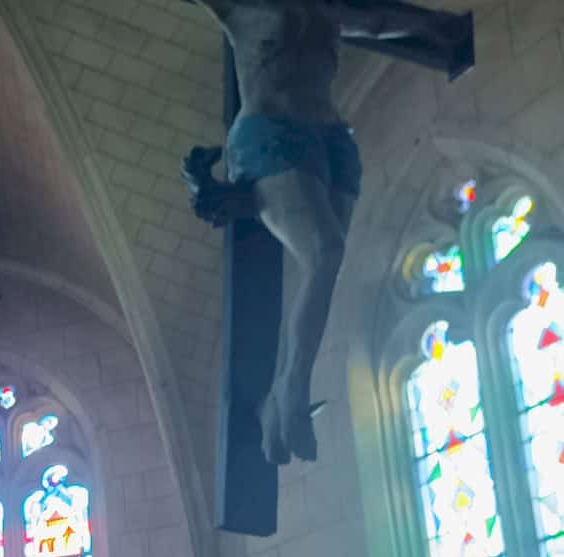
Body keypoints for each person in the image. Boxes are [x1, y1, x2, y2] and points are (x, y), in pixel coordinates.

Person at [182, 0, 463, 464]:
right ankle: (292, 389)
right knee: (324, 253)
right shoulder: (245, 8)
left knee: (327, 263)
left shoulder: (329, 9)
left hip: (333, 144)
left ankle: (278, 400)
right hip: (271, 134)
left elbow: (380, 21)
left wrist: (439, 27)